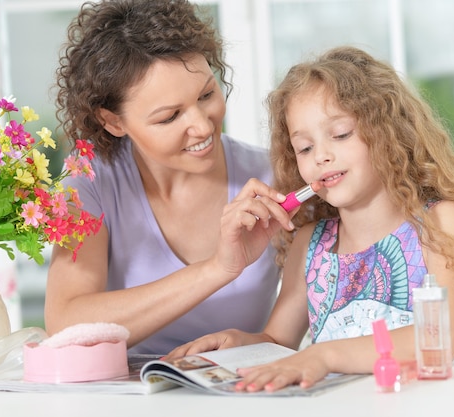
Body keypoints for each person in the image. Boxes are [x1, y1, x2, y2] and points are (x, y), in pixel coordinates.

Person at [167, 46, 454, 392]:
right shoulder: (309, 244)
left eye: (341, 134)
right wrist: (238, 344)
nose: (322, 156)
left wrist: (323, 355)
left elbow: (441, 336)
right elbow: (278, 341)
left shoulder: (438, 223)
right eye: (305, 148)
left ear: (389, 132)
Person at [44, 0, 294, 355]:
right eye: (169, 117)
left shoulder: (274, 176)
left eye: (207, 94)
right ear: (113, 122)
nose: (202, 125)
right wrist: (217, 269)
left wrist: (262, 345)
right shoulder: (90, 184)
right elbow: (66, 323)